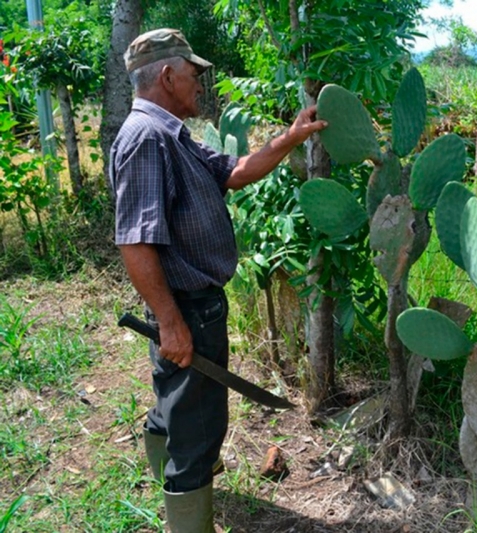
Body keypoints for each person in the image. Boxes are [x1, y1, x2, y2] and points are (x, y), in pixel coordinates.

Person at [109, 28, 326, 532]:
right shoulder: (147, 138)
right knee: (198, 429)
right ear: (167, 76)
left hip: (190, 306)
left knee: (177, 406)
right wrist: (170, 322)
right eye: (192, 76)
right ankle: (188, 512)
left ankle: (176, 480)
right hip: (184, 307)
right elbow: (135, 243)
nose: (200, 87)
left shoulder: (171, 134)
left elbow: (234, 171)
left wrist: (289, 137)